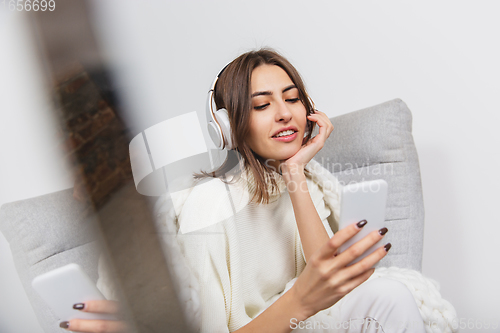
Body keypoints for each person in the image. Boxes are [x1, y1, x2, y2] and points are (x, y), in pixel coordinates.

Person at [60, 48, 426, 333]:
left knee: (387, 296)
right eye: (262, 105)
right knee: (388, 297)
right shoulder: (208, 206)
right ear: (227, 127)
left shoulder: (303, 184)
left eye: (293, 98)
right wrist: (299, 301)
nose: (284, 113)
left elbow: (333, 290)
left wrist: (295, 171)